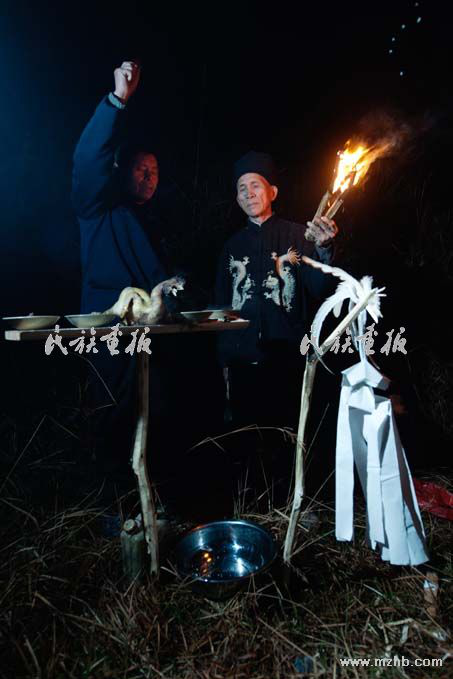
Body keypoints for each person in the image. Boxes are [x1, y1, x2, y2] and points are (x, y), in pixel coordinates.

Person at [72, 61, 168, 502]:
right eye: (140, 169)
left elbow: (164, 281)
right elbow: (87, 161)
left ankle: (153, 505)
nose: (148, 177)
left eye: (154, 171)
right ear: (120, 170)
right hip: (108, 331)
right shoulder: (97, 207)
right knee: (111, 415)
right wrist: (117, 102)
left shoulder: (153, 223)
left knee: (152, 417)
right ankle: (114, 510)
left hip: (149, 339)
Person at [215, 151, 339, 429]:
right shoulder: (231, 247)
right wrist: (224, 359)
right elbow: (221, 305)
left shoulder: (299, 237)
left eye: (255, 185)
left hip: (288, 358)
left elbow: (320, 288)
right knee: (246, 436)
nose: (248, 193)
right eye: (242, 188)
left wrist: (324, 249)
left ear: (273, 192)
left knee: (287, 434)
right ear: (237, 198)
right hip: (242, 361)